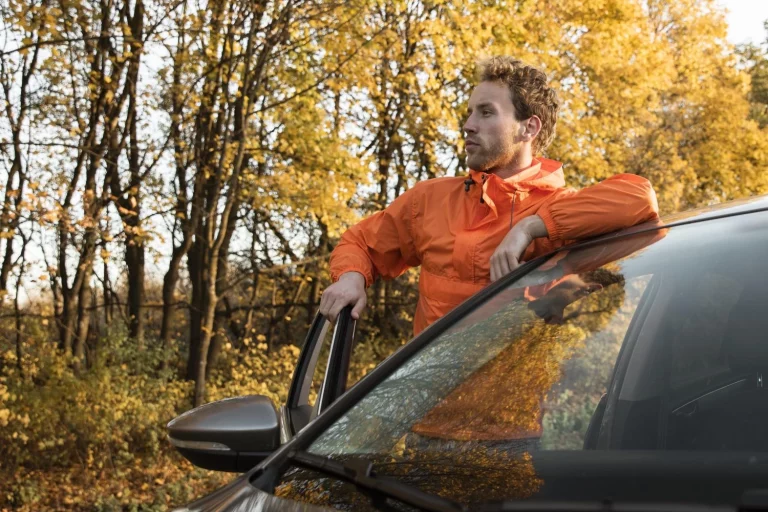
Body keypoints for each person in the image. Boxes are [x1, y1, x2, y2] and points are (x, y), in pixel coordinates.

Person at [320, 55, 659, 336]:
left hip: (510, 413)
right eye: (469, 112)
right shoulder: (429, 199)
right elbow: (360, 242)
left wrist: (529, 228)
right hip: (425, 407)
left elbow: (639, 198)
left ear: (529, 128)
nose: (468, 124)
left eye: (485, 112)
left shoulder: (556, 207)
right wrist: (351, 279)